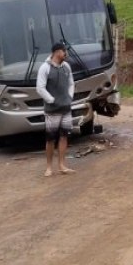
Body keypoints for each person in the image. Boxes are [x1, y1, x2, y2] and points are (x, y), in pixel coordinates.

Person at [36, 42, 75, 177]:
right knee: (50, 139)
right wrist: (51, 100)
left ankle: (62, 165)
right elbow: (40, 88)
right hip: (52, 111)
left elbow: (71, 83)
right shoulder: (44, 68)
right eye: (64, 52)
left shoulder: (66, 67)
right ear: (58, 52)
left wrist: (69, 97)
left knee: (64, 136)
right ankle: (48, 167)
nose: (66, 54)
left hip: (66, 108)